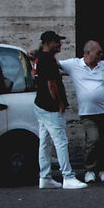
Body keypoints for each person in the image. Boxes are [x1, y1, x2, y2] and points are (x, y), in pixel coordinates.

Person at [29, 30, 82, 191]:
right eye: (56, 42)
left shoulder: (40, 58)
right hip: (50, 106)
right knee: (60, 141)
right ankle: (68, 176)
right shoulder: (48, 60)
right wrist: (60, 103)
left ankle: (45, 177)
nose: (60, 44)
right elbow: (52, 85)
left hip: (40, 104)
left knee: (45, 142)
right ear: (48, 43)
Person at [65, 39, 104, 184]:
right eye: (98, 52)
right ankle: (90, 169)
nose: (101, 55)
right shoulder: (75, 65)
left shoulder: (103, 66)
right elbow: (54, 63)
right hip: (87, 112)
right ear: (88, 53)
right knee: (93, 139)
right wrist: (36, 54)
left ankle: (102, 169)